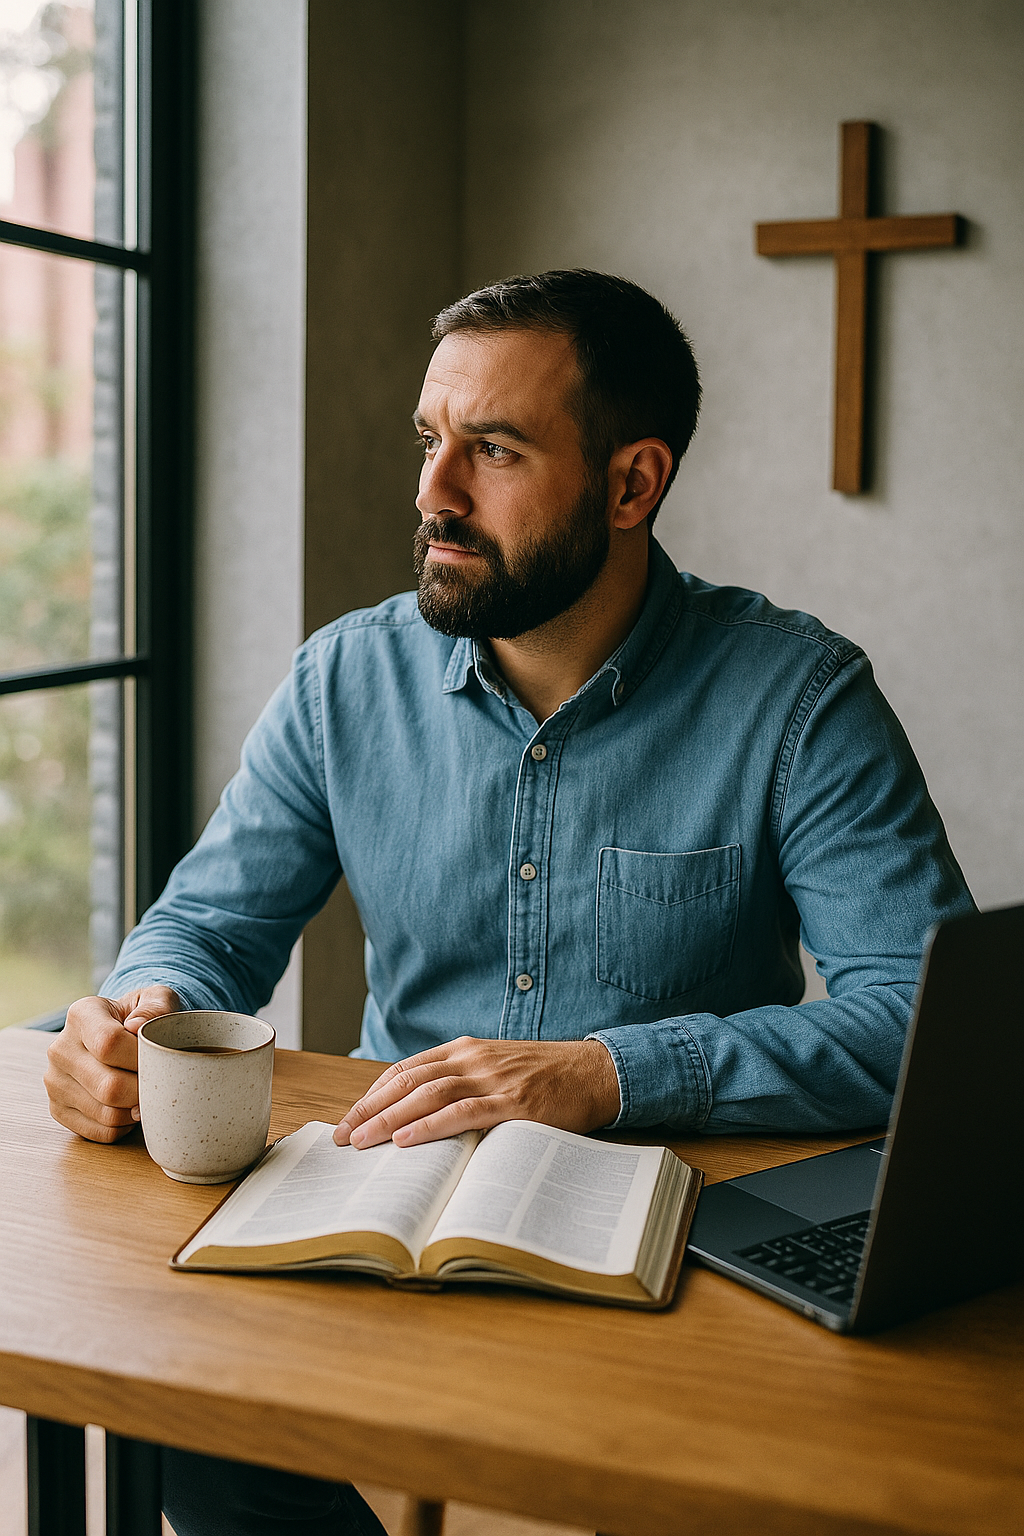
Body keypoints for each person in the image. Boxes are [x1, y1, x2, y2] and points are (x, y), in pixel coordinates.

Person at [43, 270, 973, 1535]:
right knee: (188, 1420)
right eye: (431, 441)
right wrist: (140, 1014)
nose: (431, 493)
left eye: (492, 449)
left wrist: (608, 1072)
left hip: (667, 1242)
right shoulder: (343, 679)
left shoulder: (798, 699)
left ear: (632, 483)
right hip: (372, 1213)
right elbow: (206, 927)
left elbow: (923, 1020)